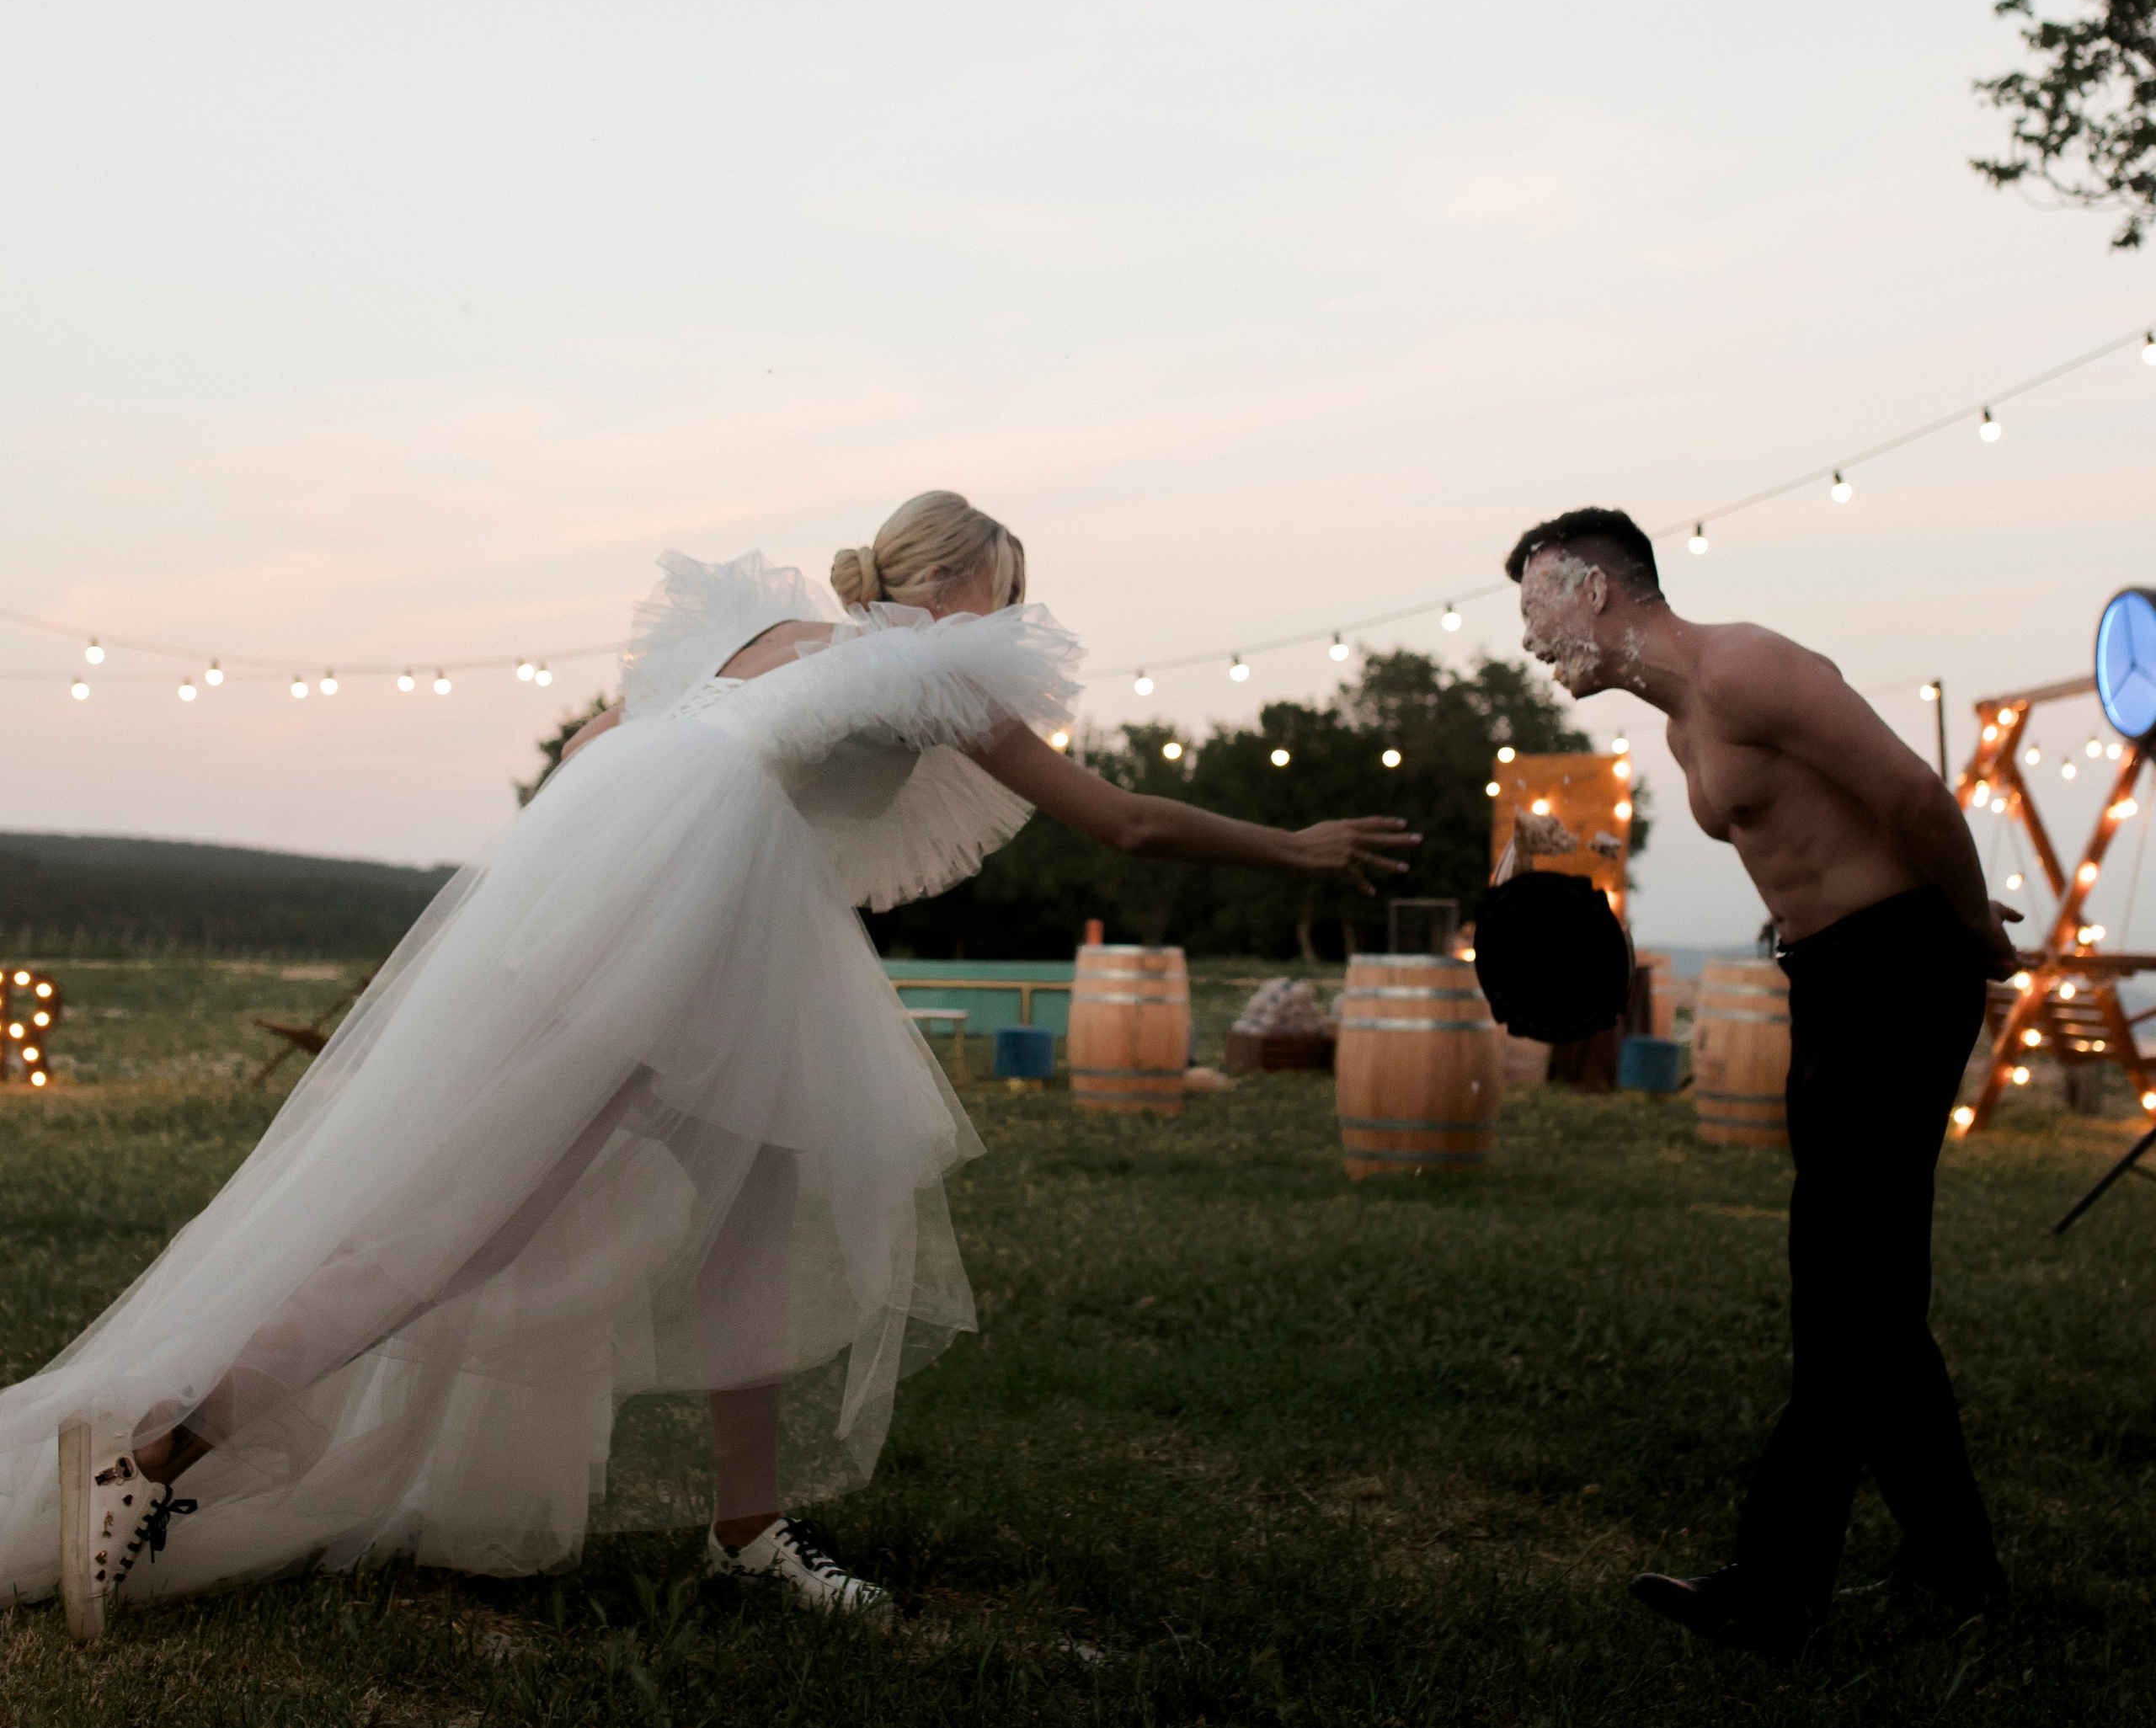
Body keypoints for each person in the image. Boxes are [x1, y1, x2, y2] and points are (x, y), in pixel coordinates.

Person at [10, 491, 1412, 1641]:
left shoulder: (742, 632)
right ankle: (146, 1466)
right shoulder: (932, 660)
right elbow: (1124, 826)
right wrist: (1293, 847)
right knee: (459, 1223)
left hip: (630, 926)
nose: (1013, 620)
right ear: (953, 585)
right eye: (1005, 591)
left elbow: (595, 751)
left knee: (754, 1192)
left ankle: (746, 1529)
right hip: (678, 950)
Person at [1502, 504, 2014, 1656]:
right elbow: (1815, 844)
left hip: (1899, 973)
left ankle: (1779, 1583)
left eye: (1534, 605)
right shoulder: (1686, 727)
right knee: (1865, 1281)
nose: (1530, 641)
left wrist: (1971, 927)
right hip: (1835, 976)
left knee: (1843, 1277)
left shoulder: (1750, 669)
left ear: (1596, 591)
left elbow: (1913, 798)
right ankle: (1957, 1570)